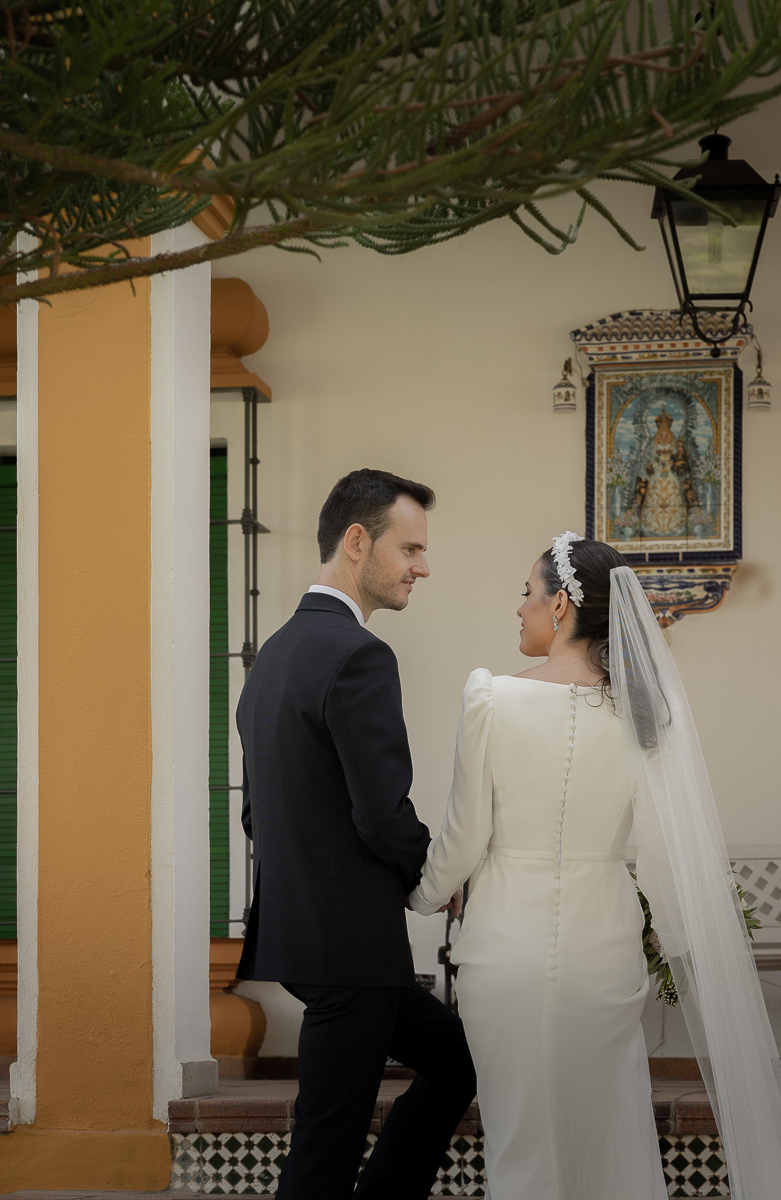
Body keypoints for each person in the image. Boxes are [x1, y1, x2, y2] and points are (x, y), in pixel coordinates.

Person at [408, 532, 781, 1200]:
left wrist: (424, 893)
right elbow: (662, 856)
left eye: (527, 593)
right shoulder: (644, 713)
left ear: (561, 603)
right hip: (606, 949)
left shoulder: (491, 698)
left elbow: (463, 838)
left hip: (506, 948)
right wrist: (678, 941)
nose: (519, 608)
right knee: (612, 1131)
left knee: (521, 1136)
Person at [236, 468, 477, 1200]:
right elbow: (380, 811)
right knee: (325, 1148)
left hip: (306, 935)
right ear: (356, 540)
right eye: (410, 549)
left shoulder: (272, 656)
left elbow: (257, 812)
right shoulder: (359, 655)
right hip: (348, 947)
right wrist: (436, 879)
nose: (422, 567)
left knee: (457, 1063)